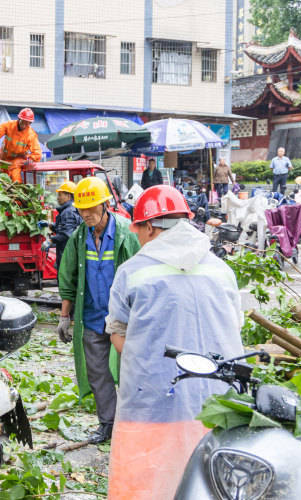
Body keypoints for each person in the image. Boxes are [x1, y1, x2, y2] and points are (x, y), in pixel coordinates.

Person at [104, 185, 244, 499]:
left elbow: (118, 336)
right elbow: (234, 328)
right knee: (211, 482)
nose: (137, 236)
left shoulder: (132, 272)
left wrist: (152, 362)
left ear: (150, 227)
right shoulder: (222, 270)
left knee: (150, 482)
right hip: (219, 405)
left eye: (137, 228)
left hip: (153, 405)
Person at [56, 177, 140, 443]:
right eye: (82, 210)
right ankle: (108, 424)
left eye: (92, 208)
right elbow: (68, 278)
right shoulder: (79, 238)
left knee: (131, 371)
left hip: (124, 320)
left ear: (105, 205)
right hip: (92, 317)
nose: (86, 215)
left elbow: (142, 277)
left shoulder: (127, 234)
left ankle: (134, 424)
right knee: (98, 374)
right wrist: (64, 316)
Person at [0, 108, 42, 184]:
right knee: (0, 180)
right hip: (3, 159)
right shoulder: (9, 125)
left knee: (15, 179)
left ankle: (17, 190)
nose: (25, 125)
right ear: (19, 119)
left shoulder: (31, 135)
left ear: (30, 123)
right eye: (23, 122)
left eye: (27, 123)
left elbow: (37, 153)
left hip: (17, 161)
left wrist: (30, 159)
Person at [40, 181, 82, 270]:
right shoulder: (68, 210)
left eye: (60, 195)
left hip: (68, 253)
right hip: (67, 252)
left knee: (65, 279)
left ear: (68, 196)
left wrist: (50, 241)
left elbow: (66, 234)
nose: (58, 198)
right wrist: (50, 225)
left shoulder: (69, 212)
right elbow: (63, 228)